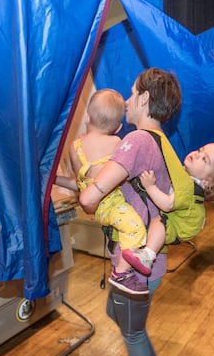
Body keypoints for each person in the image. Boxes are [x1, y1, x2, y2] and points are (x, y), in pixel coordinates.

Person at [78, 67, 181, 356]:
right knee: (117, 315)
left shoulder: (135, 141)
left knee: (132, 331)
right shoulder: (161, 140)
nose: (126, 97)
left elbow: (91, 199)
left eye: (132, 90)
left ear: (145, 98)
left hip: (137, 262)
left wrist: (81, 186)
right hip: (149, 257)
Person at [55, 88, 150, 287]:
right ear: (117, 127)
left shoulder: (75, 146)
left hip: (91, 204)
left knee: (82, 184)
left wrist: (58, 179)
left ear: (87, 117)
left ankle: (55, 179)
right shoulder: (116, 141)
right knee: (136, 229)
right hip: (111, 204)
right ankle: (122, 272)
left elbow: (81, 183)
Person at [122, 143, 214, 276]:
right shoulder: (187, 177)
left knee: (159, 222)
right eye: (200, 150)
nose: (197, 154)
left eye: (205, 159)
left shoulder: (189, 187)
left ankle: (147, 255)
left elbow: (167, 204)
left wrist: (150, 186)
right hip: (181, 217)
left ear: (208, 181)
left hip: (180, 226)